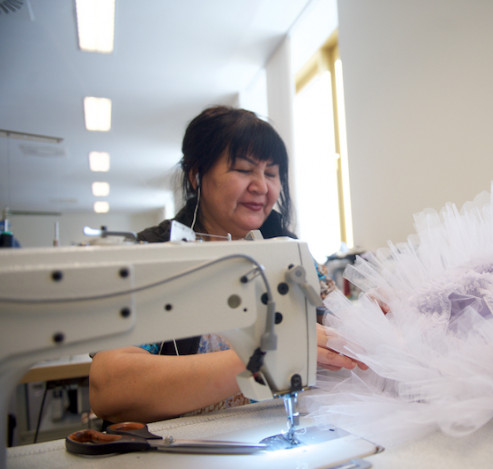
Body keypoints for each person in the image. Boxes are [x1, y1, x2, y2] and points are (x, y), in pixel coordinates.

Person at [89, 106, 364, 424]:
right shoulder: (154, 258)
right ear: (197, 175)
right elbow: (109, 388)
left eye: (271, 173)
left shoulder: (291, 254)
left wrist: (371, 317)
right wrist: (260, 358)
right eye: (244, 170)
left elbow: (339, 324)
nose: (261, 187)